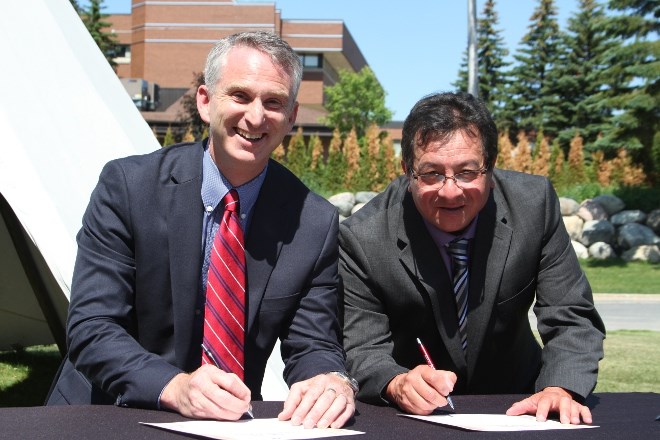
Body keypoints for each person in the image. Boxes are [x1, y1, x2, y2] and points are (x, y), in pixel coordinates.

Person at [46, 31, 357, 429]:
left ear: (292, 116)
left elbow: (314, 343)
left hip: (230, 424)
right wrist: (174, 387)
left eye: (274, 102)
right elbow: (92, 328)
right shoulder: (128, 187)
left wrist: (327, 380)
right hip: (106, 414)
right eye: (240, 96)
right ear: (205, 102)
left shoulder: (313, 221)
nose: (257, 117)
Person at [339, 91, 605, 425]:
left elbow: (570, 314)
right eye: (431, 173)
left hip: (520, 401)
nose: (450, 191)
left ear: (491, 167)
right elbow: (362, 347)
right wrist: (396, 382)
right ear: (408, 171)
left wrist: (561, 388)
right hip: (414, 417)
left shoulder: (534, 206)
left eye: (467, 172)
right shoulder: (362, 238)